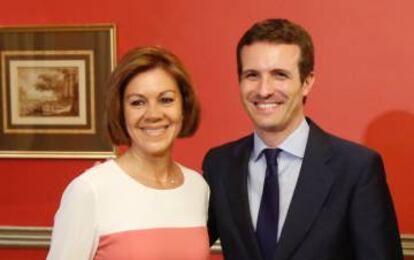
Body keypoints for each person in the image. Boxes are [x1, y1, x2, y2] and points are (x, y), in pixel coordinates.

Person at [202, 18, 403, 260]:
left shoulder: (356, 168)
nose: (264, 89)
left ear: (307, 82)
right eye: (252, 75)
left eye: (279, 75)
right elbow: (182, 243)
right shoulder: (220, 165)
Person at [47, 46, 210, 260]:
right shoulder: (89, 191)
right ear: (120, 110)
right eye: (137, 102)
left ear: (184, 107)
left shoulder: (197, 187)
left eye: (166, 99)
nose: (153, 114)